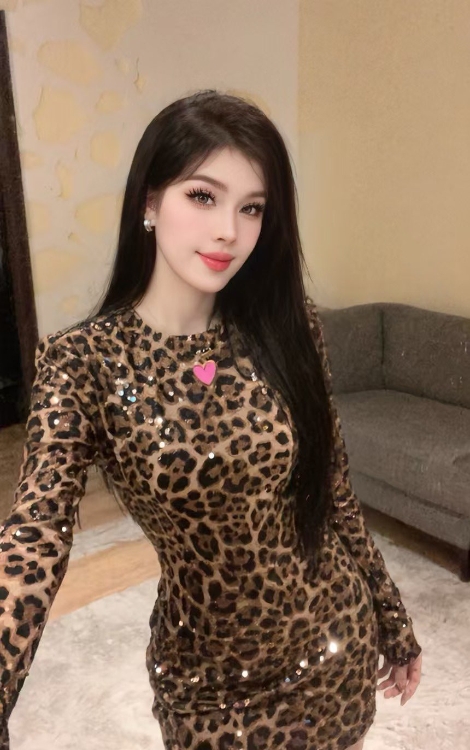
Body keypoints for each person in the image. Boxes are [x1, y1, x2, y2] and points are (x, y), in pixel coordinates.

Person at [0, 89, 422, 750]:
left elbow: (333, 491)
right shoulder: (82, 361)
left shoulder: (289, 329)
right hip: (208, 684)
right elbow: (34, 536)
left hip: (334, 643)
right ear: (149, 201)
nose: (230, 230)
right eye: (203, 196)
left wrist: (392, 619)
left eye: (252, 207)